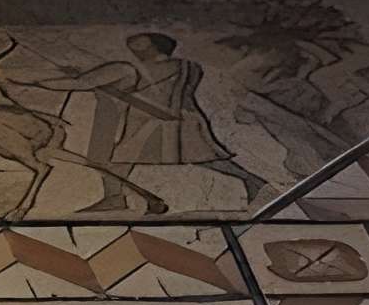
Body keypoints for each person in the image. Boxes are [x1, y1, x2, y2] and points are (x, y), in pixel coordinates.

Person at [22, 33, 263, 211]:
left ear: (150, 45)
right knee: (202, 158)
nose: (132, 48)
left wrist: (31, 83)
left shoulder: (130, 68)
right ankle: (115, 198)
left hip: (152, 123)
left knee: (119, 160)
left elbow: (83, 84)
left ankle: (115, 198)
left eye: (136, 43)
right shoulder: (189, 66)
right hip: (187, 119)